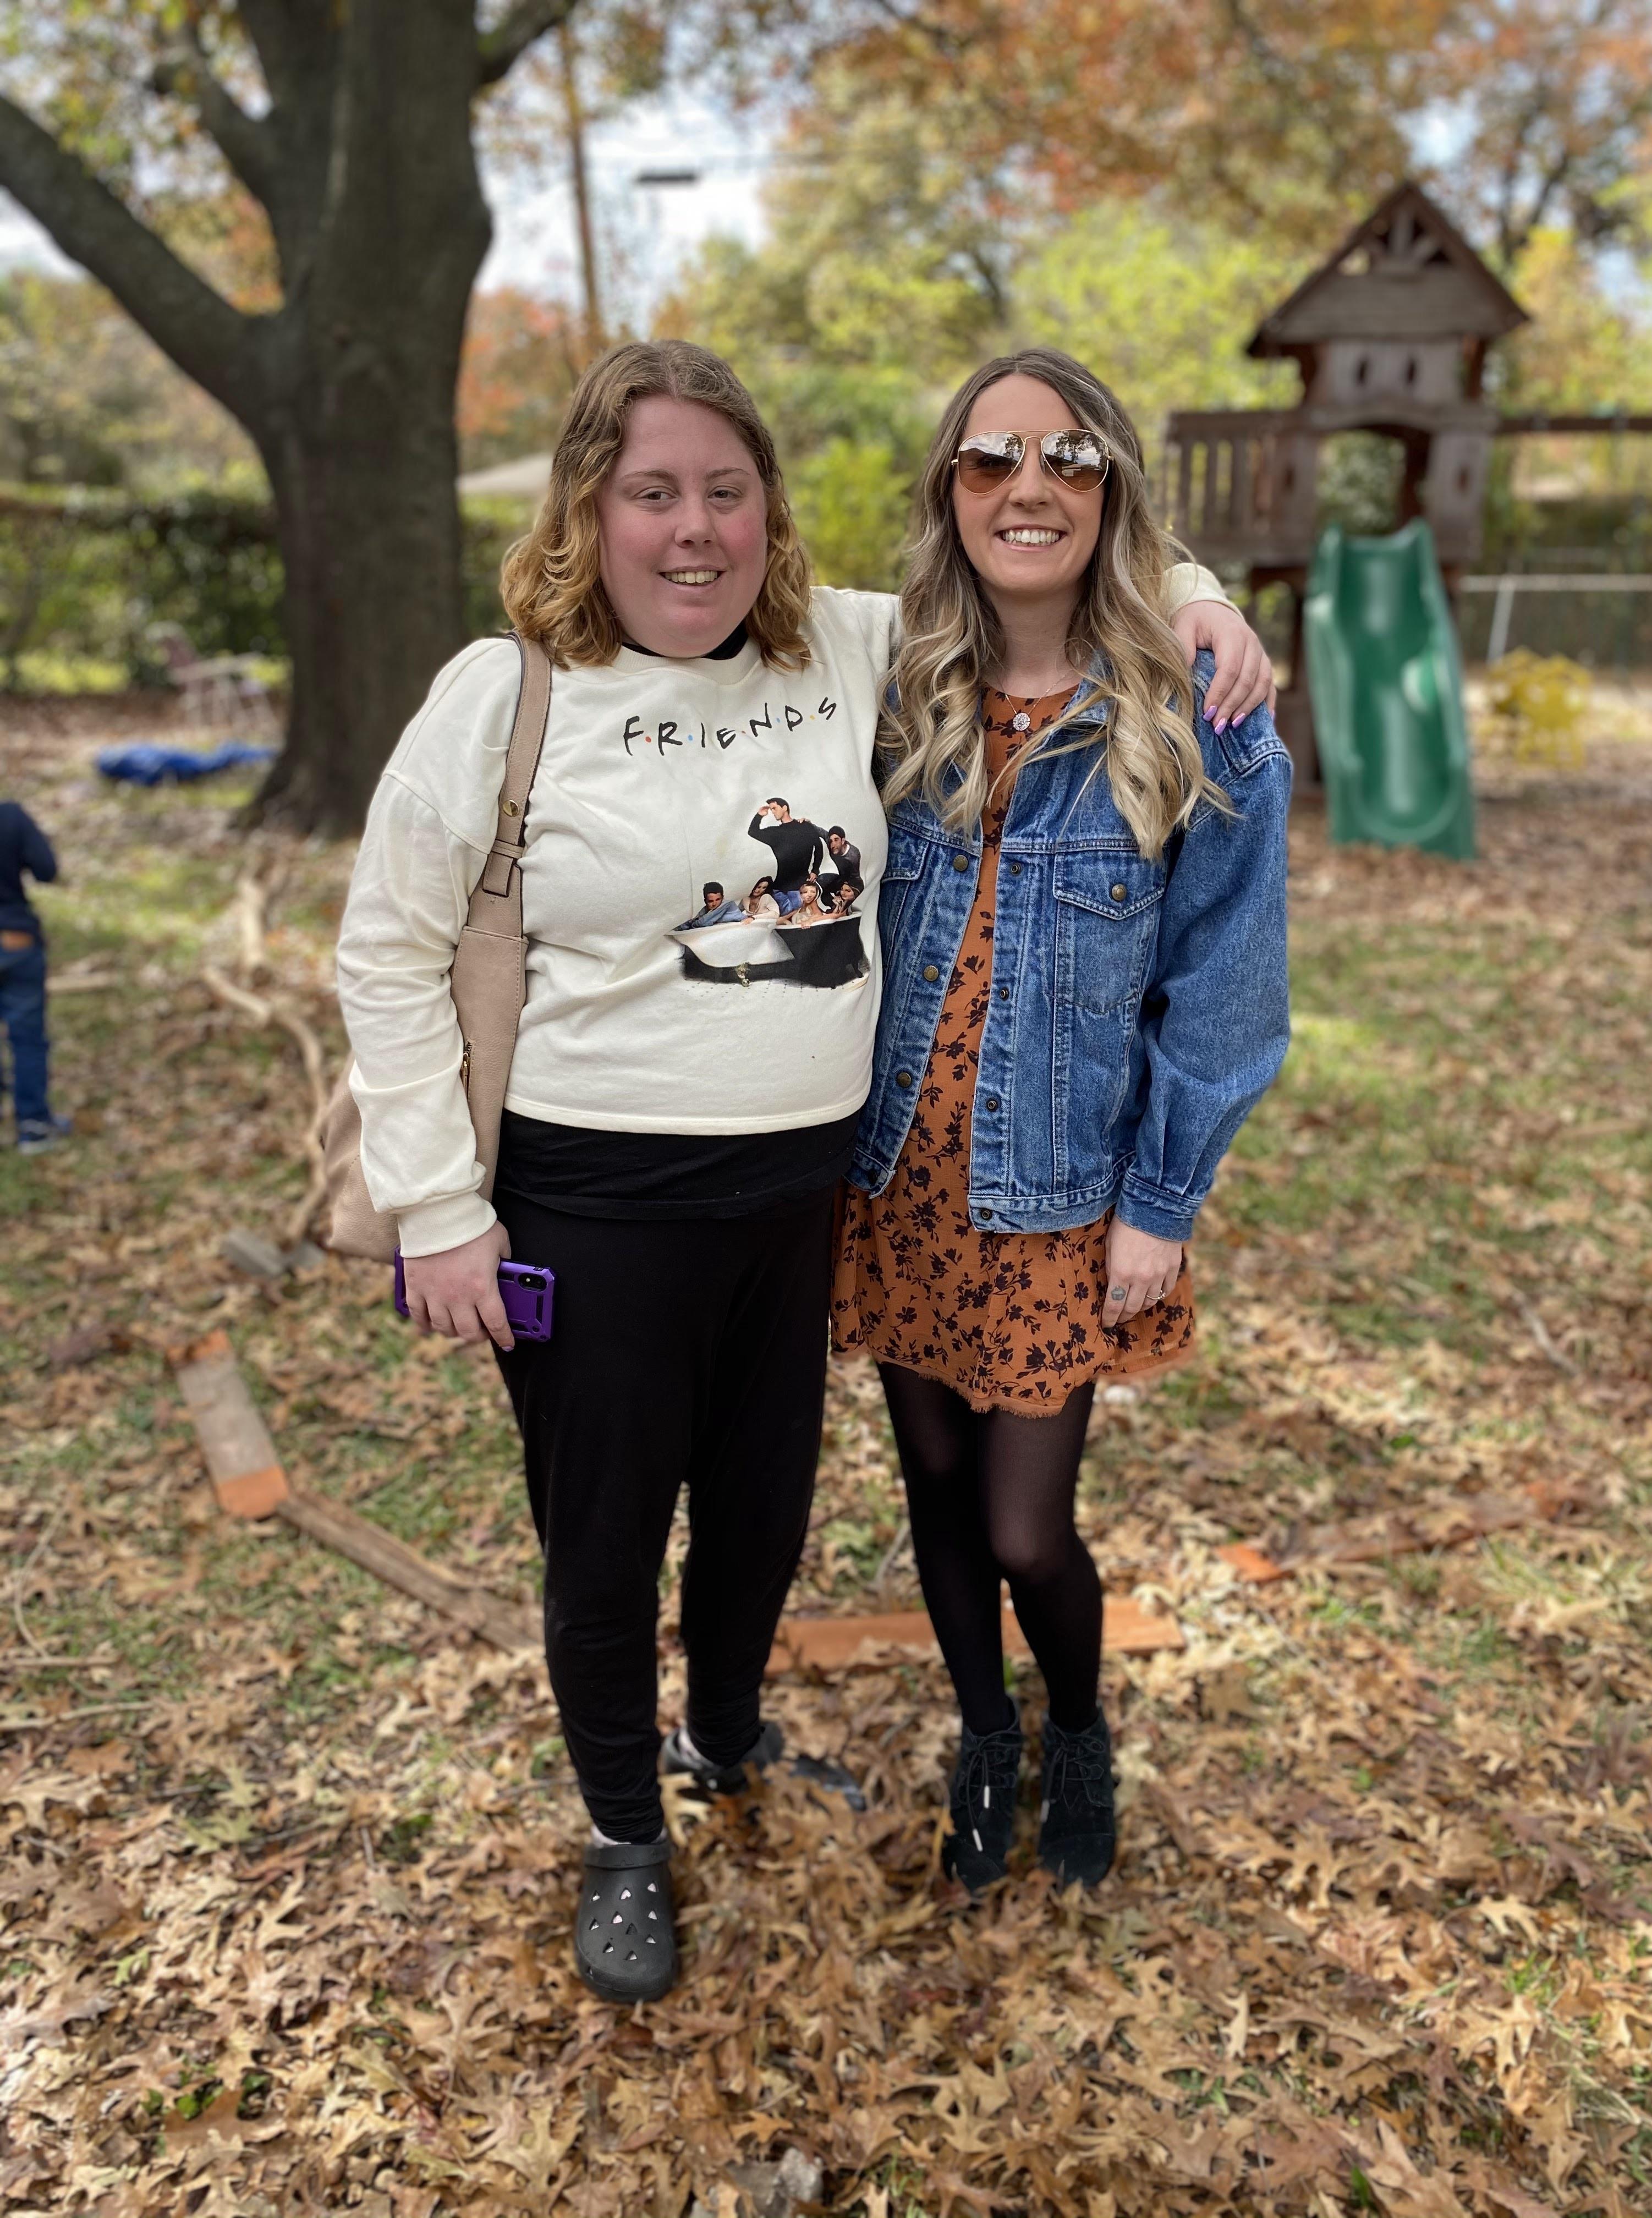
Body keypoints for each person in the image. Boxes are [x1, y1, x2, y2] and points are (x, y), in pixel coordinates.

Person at [334, 338, 1273, 2006]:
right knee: (607, 1540)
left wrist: (1199, 593)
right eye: (650, 494)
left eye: (724, 492)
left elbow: (1046, 545)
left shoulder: (845, 650)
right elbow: (390, 958)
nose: (691, 530)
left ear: (773, 512)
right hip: (593, 1205)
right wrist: (437, 1207)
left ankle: (731, 1731)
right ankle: (628, 1835)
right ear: (587, 511)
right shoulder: (509, 695)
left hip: (806, 1206)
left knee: (762, 1519)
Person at [833, 349, 1291, 1896]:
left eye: (1069, 458)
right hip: (899, 1181)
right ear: (948, 495)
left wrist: (1163, 1206)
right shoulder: (891, 691)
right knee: (937, 1496)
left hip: (1066, 1197)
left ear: (1112, 489)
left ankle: (1078, 1724)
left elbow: (1224, 989)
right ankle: (986, 1732)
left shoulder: (1197, 715)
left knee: (1031, 1528)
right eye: (990, 461)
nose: (1028, 488)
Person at [0, 798, 70, 1154]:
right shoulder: (10, 816)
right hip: (14, 941)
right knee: (27, 1039)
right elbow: (46, 868)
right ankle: (34, 1126)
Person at [748, 797, 828, 887]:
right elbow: (753, 832)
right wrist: (759, 815)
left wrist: (815, 871)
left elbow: (819, 847)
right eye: (771, 810)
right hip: (780, 886)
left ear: (785, 808)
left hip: (801, 885)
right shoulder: (775, 833)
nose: (773, 812)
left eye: (774, 808)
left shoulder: (804, 826)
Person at [818, 825, 861, 902]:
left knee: (847, 895)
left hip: (851, 883)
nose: (833, 845)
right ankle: (834, 906)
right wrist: (806, 822)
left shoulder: (853, 856)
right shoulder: (831, 844)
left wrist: (853, 892)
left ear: (843, 840)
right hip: (841, 878)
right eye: (831, 841)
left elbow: (856, 878)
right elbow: (820, 831)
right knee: (822, 880)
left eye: (836, 840)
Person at [680, 882, 745, 929]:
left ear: (723, 898)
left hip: (744, 926)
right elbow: (694, 920)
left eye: (718, 900)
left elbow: (702, 923)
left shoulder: (728, 904)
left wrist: (693, 923)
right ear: (705, 901)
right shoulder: (707, 909)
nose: (714, 904)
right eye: (711, 901)